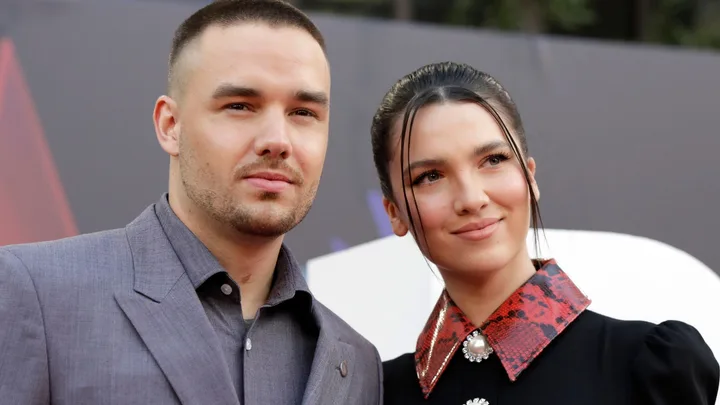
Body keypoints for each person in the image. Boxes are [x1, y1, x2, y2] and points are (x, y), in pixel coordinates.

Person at [0, 1, 382, 404]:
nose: (278, 140)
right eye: (239, 106)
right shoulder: (38, 295)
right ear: (170, 125)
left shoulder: (356, 361)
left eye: (303, 112)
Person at [370, 61, 719, 404]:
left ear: (530, 176)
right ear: (394, 213)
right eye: (430, 176)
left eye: (494, 160)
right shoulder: (376, 393)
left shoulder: (643, 367)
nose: (472, 199)